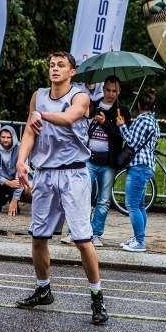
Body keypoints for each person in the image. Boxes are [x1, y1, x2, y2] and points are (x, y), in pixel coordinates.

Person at [15, 51, 108, 324]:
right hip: (44, 174)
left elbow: (68, 118)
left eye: (61, 65)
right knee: (38, 237)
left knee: (82, 239)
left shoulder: (80, 97)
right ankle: (43, 289)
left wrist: (39, 114)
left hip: (73, 175)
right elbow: (30, 130)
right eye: (52, 65)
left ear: (72, 71)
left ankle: (97, 297)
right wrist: (21, 161)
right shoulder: (38, 95)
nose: (55, 69)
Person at [61, 76, 129, 247]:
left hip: (109, 162)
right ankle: (74, 232)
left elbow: (122, 136)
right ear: (103, 89)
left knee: (104, 200)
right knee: (81, 196)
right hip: (89, 159)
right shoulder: (92, 104)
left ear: (119, 91)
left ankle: (96, 233)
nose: (111, 94)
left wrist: (106, 123)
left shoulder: (122, 111)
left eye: (114, 91)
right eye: (108, 90)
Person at [116, 88, 160, 252]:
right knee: (140, 205)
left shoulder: (142, 120)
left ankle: (140, 241)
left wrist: (122, 126)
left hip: (138, 166)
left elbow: (131, 142)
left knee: (132, 205)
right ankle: (137, 237)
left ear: (140, 105)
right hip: (147, 165)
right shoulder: (154, 122)